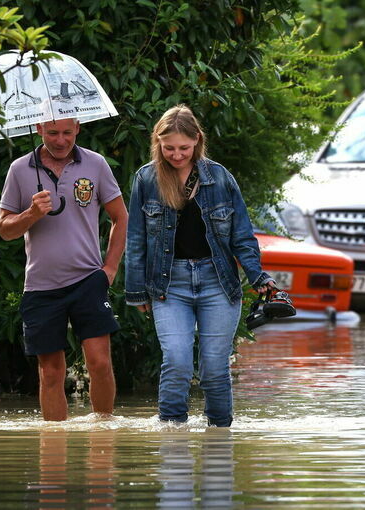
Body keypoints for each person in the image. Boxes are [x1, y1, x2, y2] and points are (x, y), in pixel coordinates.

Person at [125, 105, 275, 427]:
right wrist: (136, 292)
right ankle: (171, 435)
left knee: (214, 367)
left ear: (197, 141)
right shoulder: (146, 179)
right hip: (169, 285)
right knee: (177, 361)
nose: (176, 155)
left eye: (183, 148)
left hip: (217, 282)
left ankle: (220, 437)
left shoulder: (220, 178)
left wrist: (257, 276)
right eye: (168, 148)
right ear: (158, 143)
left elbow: (242, 236)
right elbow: (136, 239)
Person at [0, 117, 128, 421]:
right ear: (39, 129)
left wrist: (109, 268)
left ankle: (102, 438)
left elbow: (120, 217)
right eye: (53, 132)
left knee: (99, 363)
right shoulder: (19, 169)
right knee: (51, 372)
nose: (60, 140)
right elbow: (5, 230)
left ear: (78, 129)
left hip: (87, 279)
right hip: (41, 286)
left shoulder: (95, 164)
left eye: (67, 132)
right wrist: (31, 213)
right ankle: (54, 453)